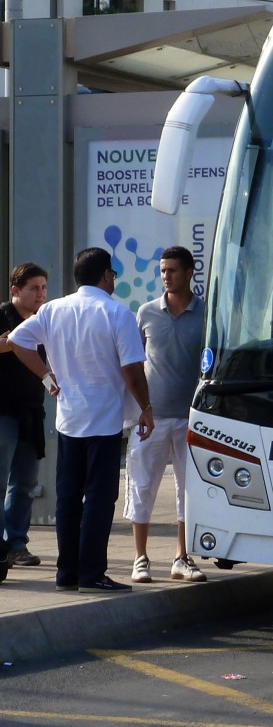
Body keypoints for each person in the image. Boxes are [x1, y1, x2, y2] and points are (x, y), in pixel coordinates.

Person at [8, 248, 154, 593]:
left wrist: (47, 377)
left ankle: (67, 572)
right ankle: (92, 573)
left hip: (69, 418)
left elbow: (17, 341)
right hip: (104, 420)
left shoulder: (53, 309)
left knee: (68, 497)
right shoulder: (117, 313)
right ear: (106, 275)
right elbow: (132, 368)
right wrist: (146, 408)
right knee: (100, 499)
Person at [125, 246, 206, 583]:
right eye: (162, 270)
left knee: (189, 490)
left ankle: (181, 558)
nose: (166, 276)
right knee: (141, 485)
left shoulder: (208, 313)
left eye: (172, 270)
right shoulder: (145, 313)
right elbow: (130, 365)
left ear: (189, 273)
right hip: (151, 417)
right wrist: (139, 410)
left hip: (194, 417)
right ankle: (140, 558)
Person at [0, 263, 50, 580]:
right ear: (15, 291)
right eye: (34, 288)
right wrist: (16, 338)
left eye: (44, 288)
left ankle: (17, 544)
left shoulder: (45, 319)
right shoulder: (4, 314)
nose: (41, 294)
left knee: (25, 484)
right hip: (3, 410)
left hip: (32, 412)